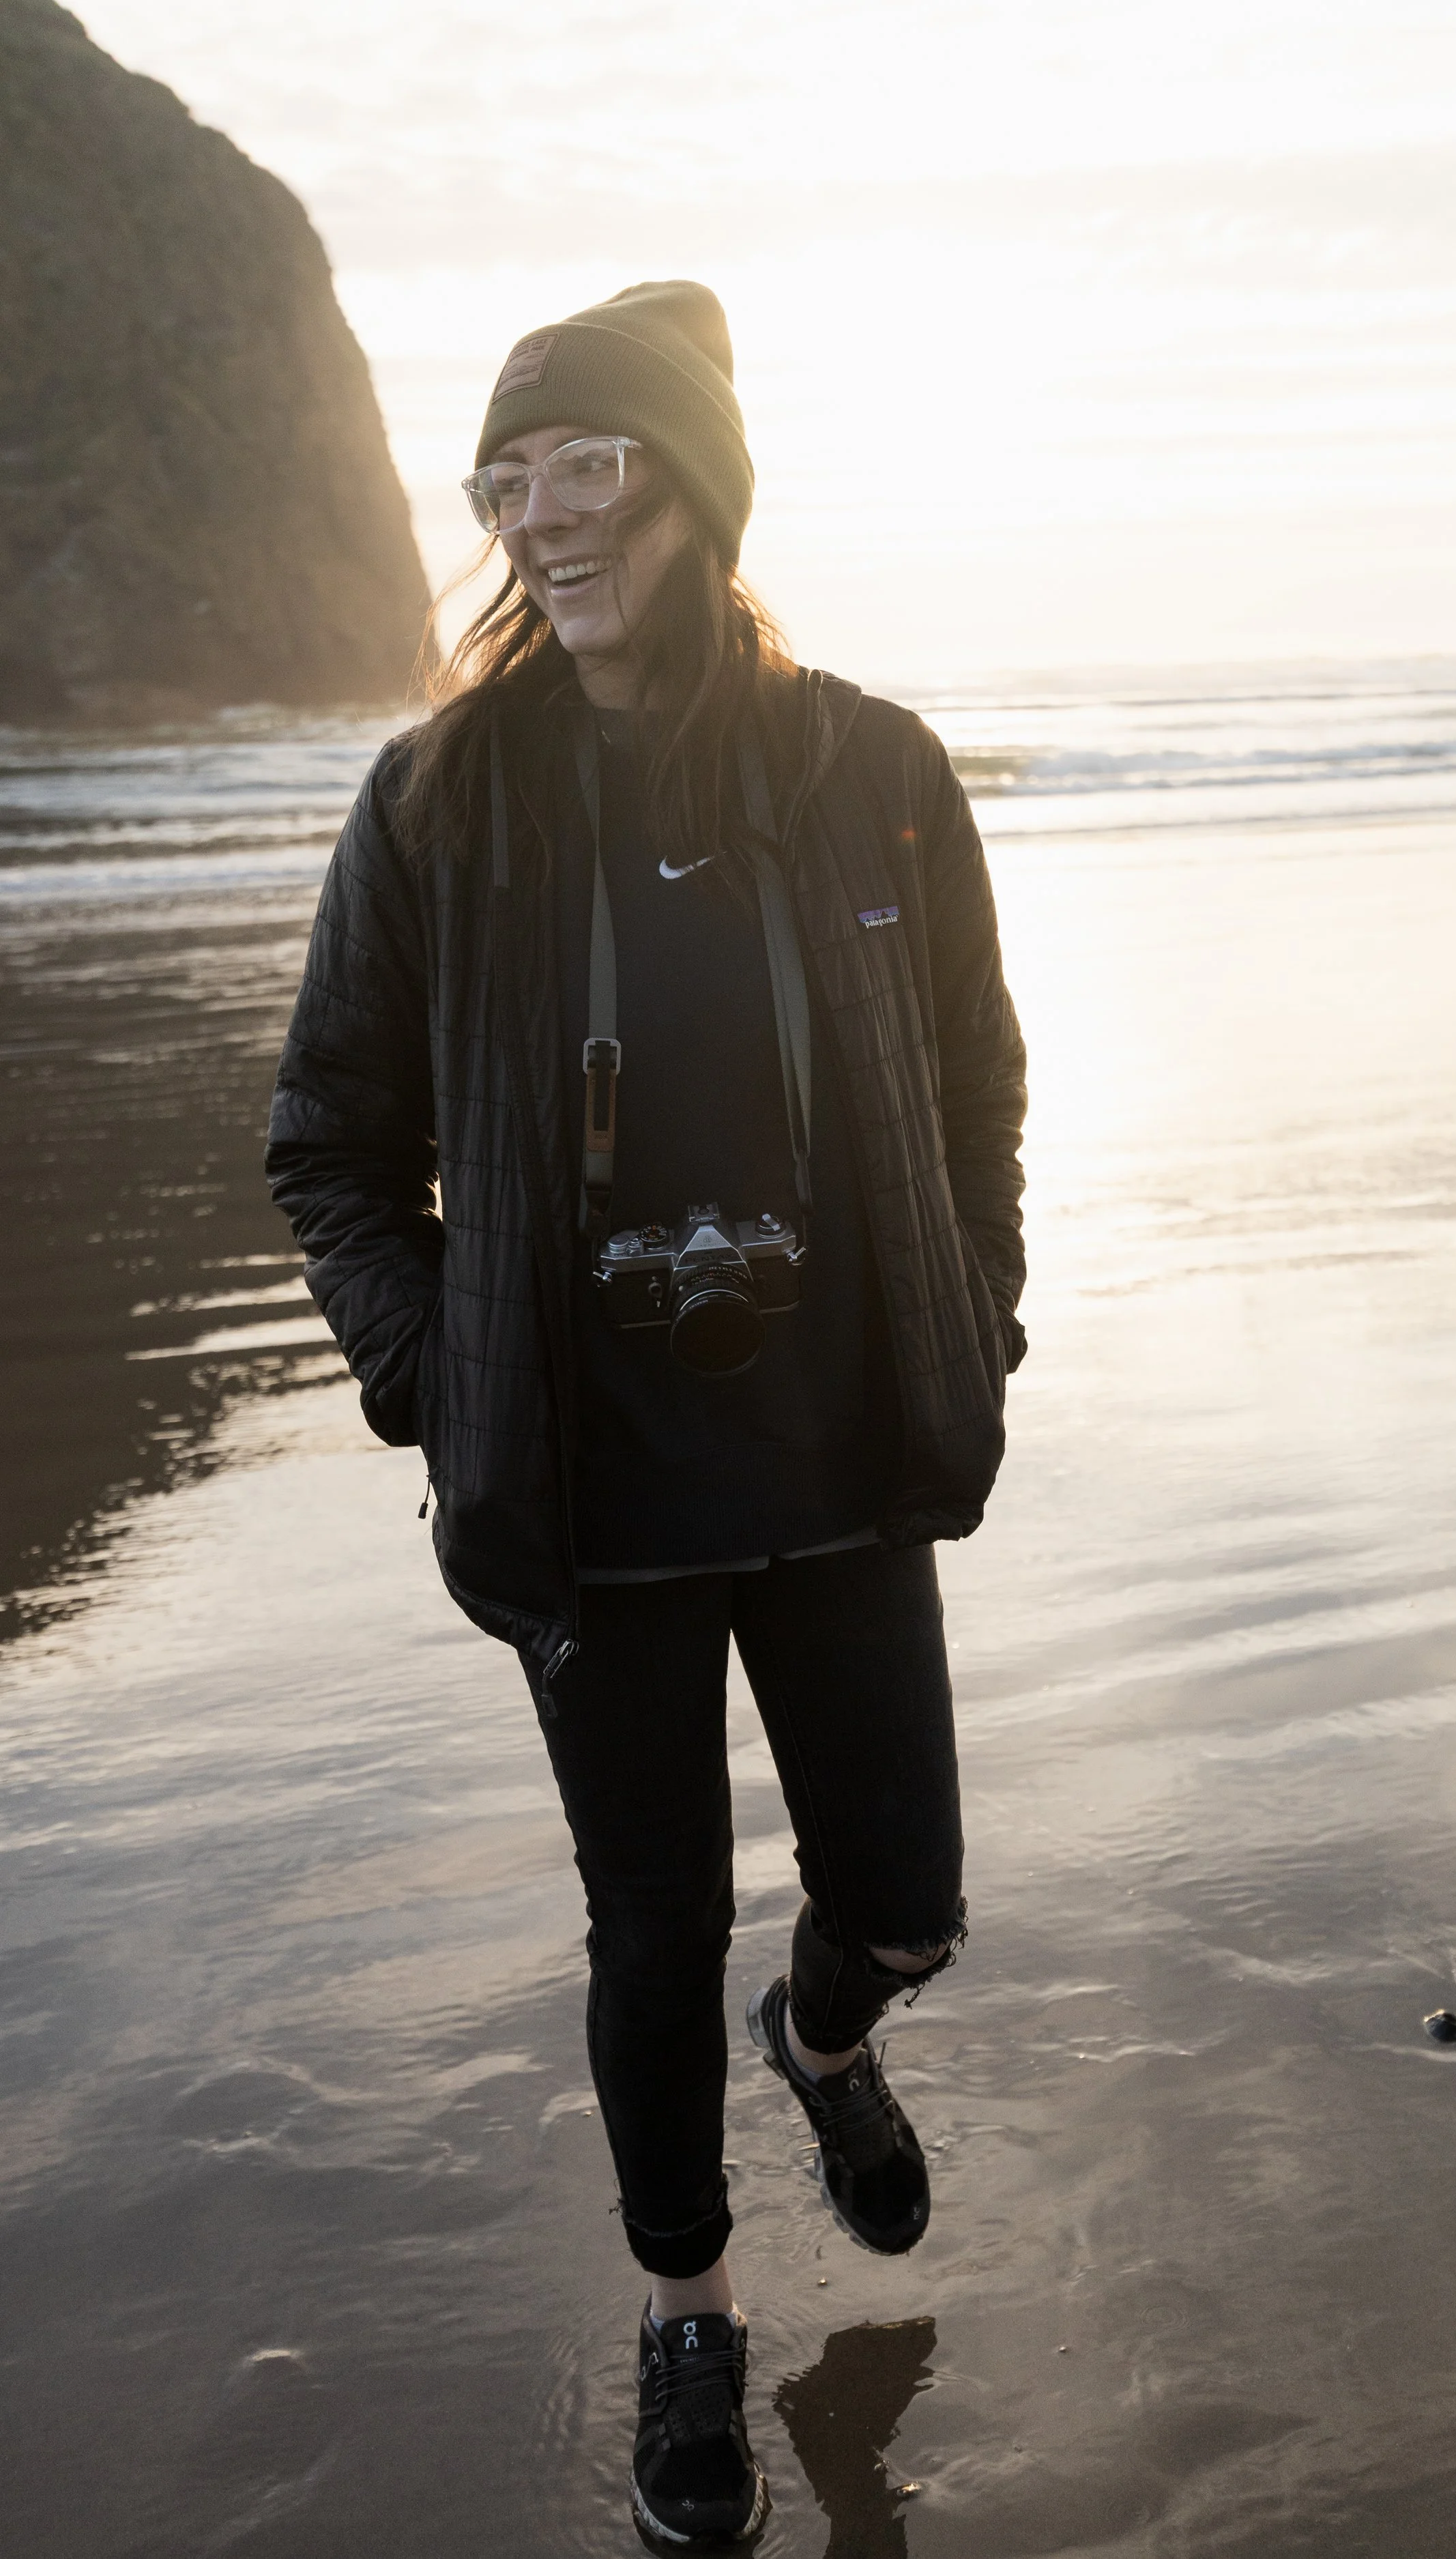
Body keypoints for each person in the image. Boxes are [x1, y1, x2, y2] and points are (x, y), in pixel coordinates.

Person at [267, 279, 1026, 2546]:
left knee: (897, 1892)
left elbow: (976, 1074)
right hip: (583, 1491)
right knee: (647, 1924)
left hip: (842, 1452)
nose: (538, 517)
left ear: (690, 482)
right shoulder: (444, 801)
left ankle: (833, 2038)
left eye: (581, 464)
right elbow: (329, 1143)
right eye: (505, 482)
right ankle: (687, 2313)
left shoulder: (863, 768)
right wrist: (444, 1383)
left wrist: (971, 1311)